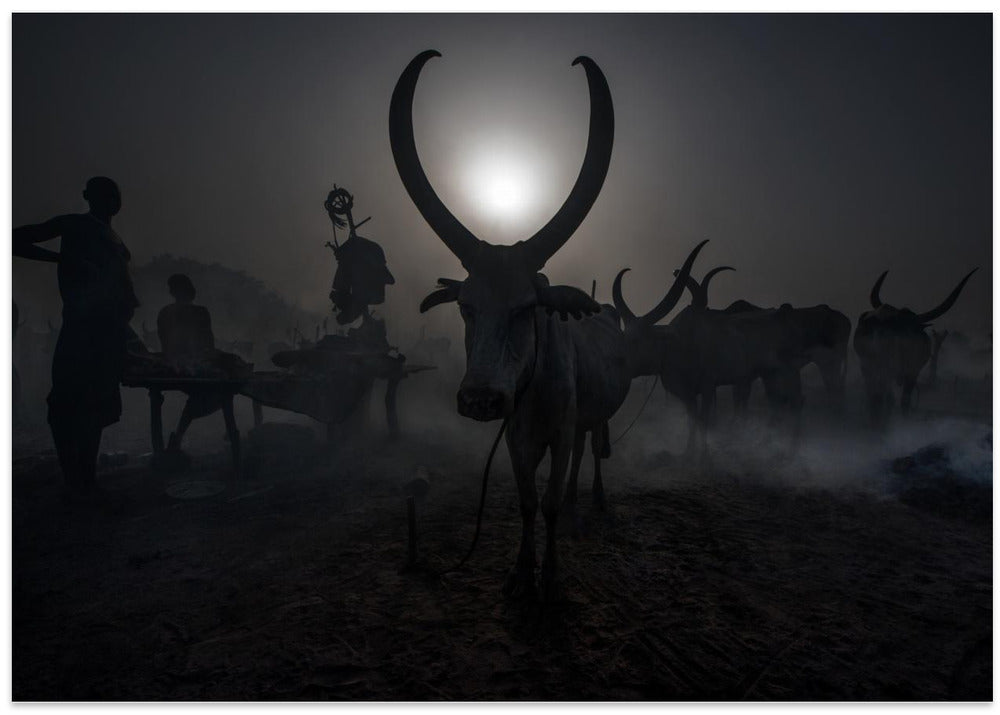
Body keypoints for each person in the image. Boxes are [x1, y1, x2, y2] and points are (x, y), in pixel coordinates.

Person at [13, 177, 139, 497]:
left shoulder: (116, 241)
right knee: (66, 404)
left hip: (109, 332)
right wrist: (60, 258)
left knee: (95, 407)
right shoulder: (73, 225)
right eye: (105, 193)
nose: (112, 198)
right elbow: (14, 239)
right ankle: (73, 478)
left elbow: (122, 290)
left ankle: (87, 477)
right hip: (81, 328)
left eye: (115, 193)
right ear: (88, 197)